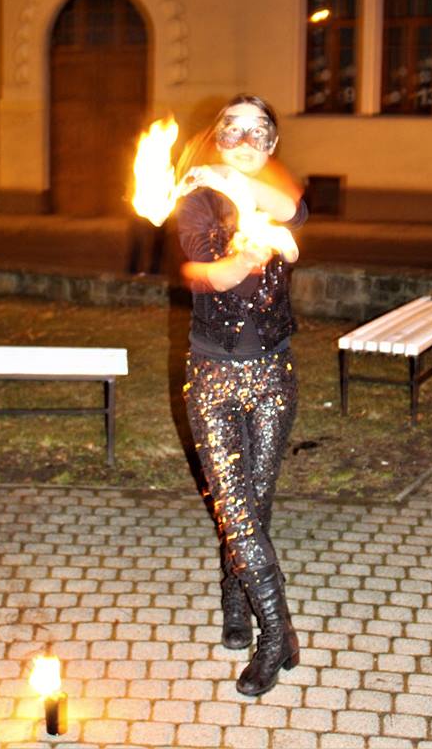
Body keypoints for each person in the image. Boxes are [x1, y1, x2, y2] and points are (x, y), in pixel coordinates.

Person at [175, 94, 308, 697]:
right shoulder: (197, 200)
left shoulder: (270, 190)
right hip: (213, 378)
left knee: (255, 504)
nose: (246, 140)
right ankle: (277, 635)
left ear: (272, 143)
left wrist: (227, 176)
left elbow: (291, 211)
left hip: (273, 375)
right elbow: (215, 275)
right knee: (235, 509)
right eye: (233, 129)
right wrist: (251, 250)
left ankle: (237, 601)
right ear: (218, 136)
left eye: (259, 131)